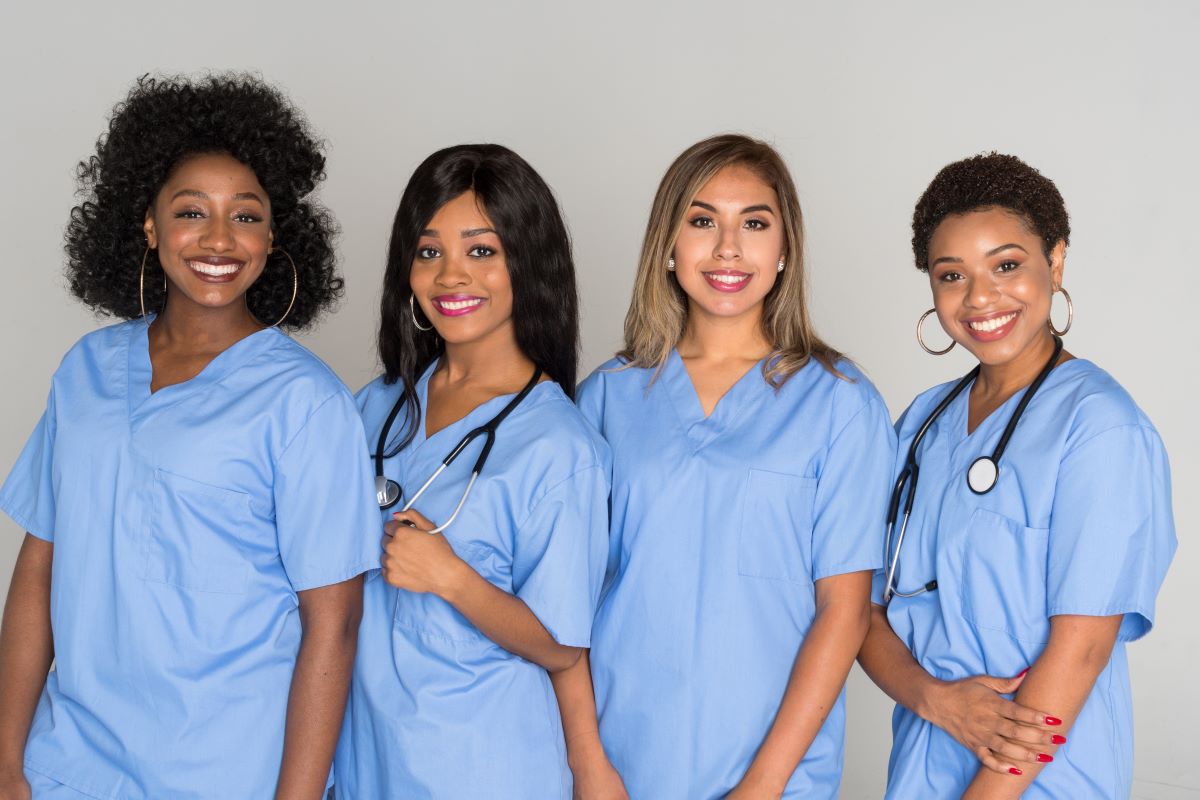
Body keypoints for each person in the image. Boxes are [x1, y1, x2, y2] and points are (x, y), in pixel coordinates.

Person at [0, 75, 379, 800]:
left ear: (274, 236)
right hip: (67, 767)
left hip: (224, 774)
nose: (217, 239)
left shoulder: (305, 403)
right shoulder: (87, 372)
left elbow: (332, 626)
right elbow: (39, 572)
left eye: (245, 215)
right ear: (148, 225)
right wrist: (9, 761)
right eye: (190, 212)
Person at [560, 134, 896, 799]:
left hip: (775, 774)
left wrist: (763, 787)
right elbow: (563, 604)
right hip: (623, 760)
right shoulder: (607, 397)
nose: (728, 249)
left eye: (755, 224)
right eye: (703, 220)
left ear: (785, 251)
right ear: (668, 244)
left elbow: (845, 611)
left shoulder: (841, 404)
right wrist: (588, 765)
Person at [857, 152, 1177, 799]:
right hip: (922, 759)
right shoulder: (922, 423)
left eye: (1006, 265)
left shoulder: (1101, 428)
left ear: (1054, 262)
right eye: (953, 275)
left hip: (1044, 776)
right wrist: (934, 700)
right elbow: (859, 605)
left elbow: (1082, 647)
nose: (980, 298)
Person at [333, 144, 610, 799]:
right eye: (429, 252)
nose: (451, 276)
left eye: (482, 251)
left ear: (527, 261)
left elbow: (561, 646)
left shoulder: (556, 444)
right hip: (365, 760)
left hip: (483, 765)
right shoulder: (373, 408)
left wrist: (453, 580)